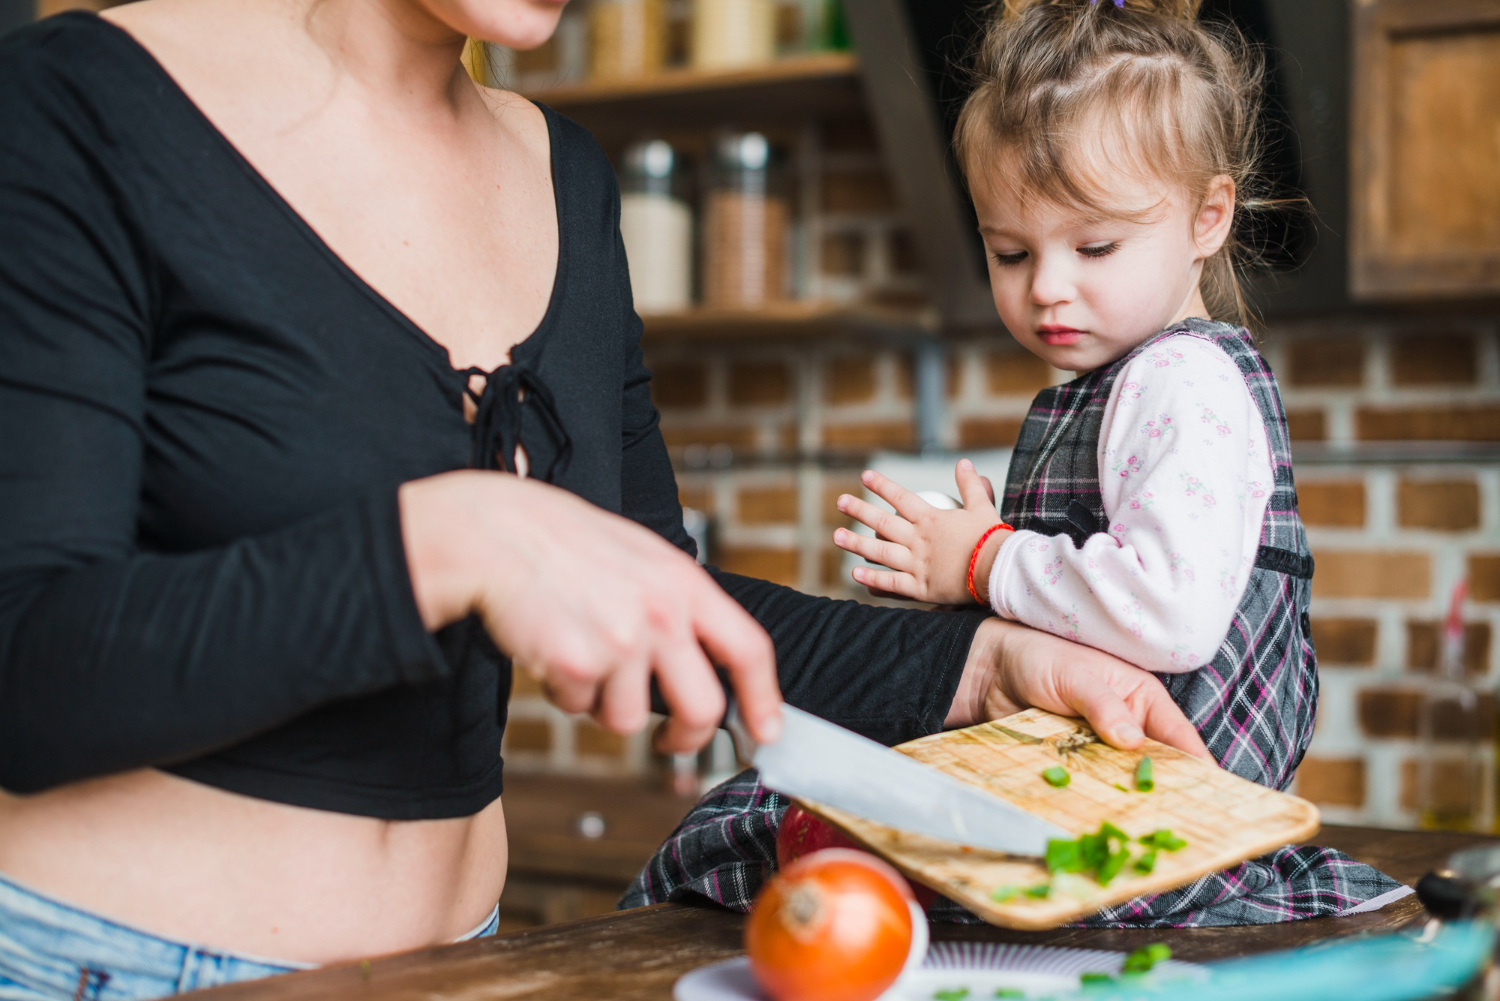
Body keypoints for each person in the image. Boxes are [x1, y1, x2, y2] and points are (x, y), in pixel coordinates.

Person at [0, 1, 1212, 998]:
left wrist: (987, 666)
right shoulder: (78, 107)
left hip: (463, 963)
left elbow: (669, 589)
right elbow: (26, 665)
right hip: (110, 964)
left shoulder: (561, 173)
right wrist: (452, 535)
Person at [832, 0, 1317, 791]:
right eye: (1012, 252)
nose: (1048, 287)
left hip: (1163, 809)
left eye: (1095, 246)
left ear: (1208, 217)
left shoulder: (1183, 379)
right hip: (1112, 792)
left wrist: (987, 560)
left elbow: (1166, 611)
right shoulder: (1134, 378)